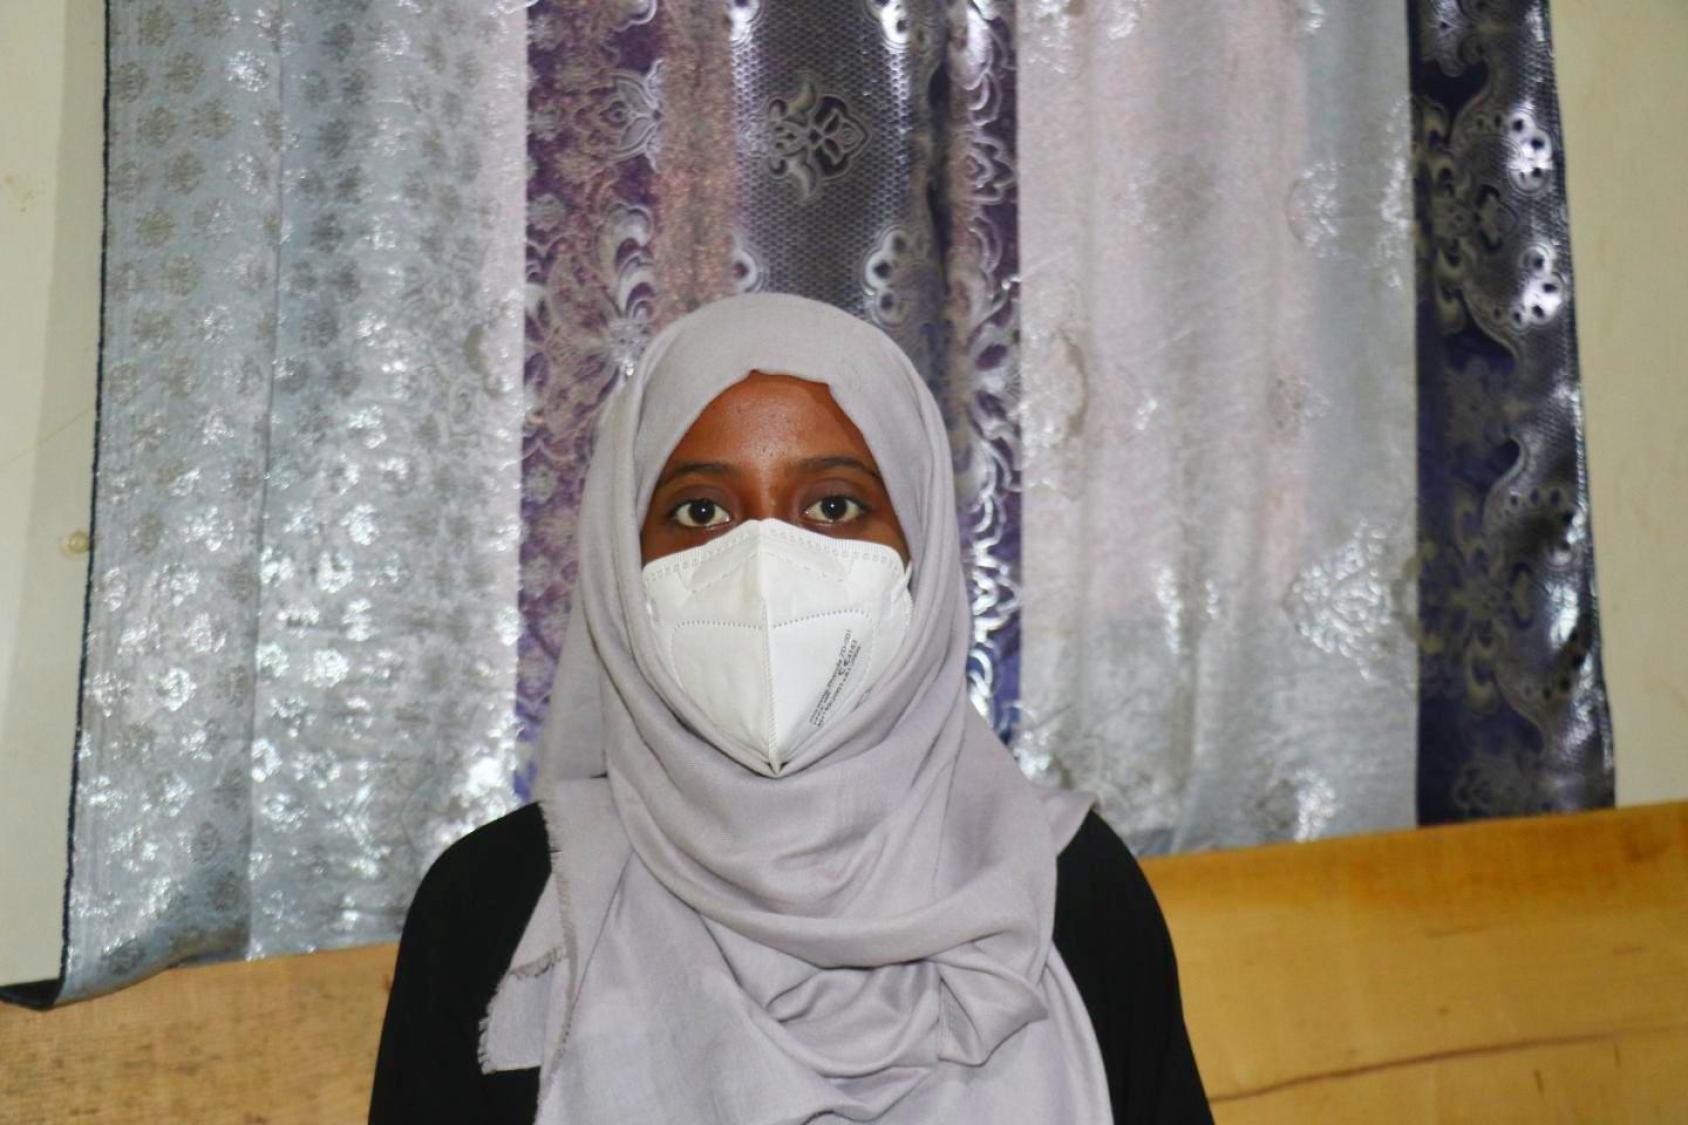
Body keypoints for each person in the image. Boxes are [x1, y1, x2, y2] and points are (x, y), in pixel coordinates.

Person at [369, 294, 1210, 1124]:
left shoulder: (1070, 887)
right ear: (621, 565)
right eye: (702, 511)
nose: (766, 565)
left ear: (919, 546)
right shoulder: (497, 912)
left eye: (834, 506)